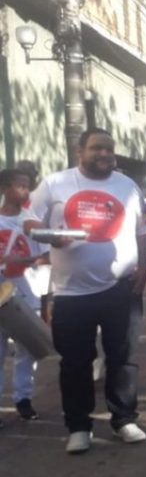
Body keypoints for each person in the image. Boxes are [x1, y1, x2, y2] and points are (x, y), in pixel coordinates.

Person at [25, 128, 146, 454]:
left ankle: (124, 419)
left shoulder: (127, 186)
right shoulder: (55, 184)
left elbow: (143, 231)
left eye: (109, 149)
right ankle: (79, 426)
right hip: (71, 293)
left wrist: (145, 268)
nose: (104, 154)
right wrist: (52, 236)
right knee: (76, 362)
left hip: (121, 290)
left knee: (123, 358)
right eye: (97, 149)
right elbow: (29, 222)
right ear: (80, 152)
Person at [0, 169, 48, 425]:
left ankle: (23, 399)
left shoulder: (31, 222)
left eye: (28, 186)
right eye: (20, 186)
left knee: (26, 352)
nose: (26, 192)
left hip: (26, 296)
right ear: (5, 189)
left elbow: (49, 255)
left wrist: (24, 260)